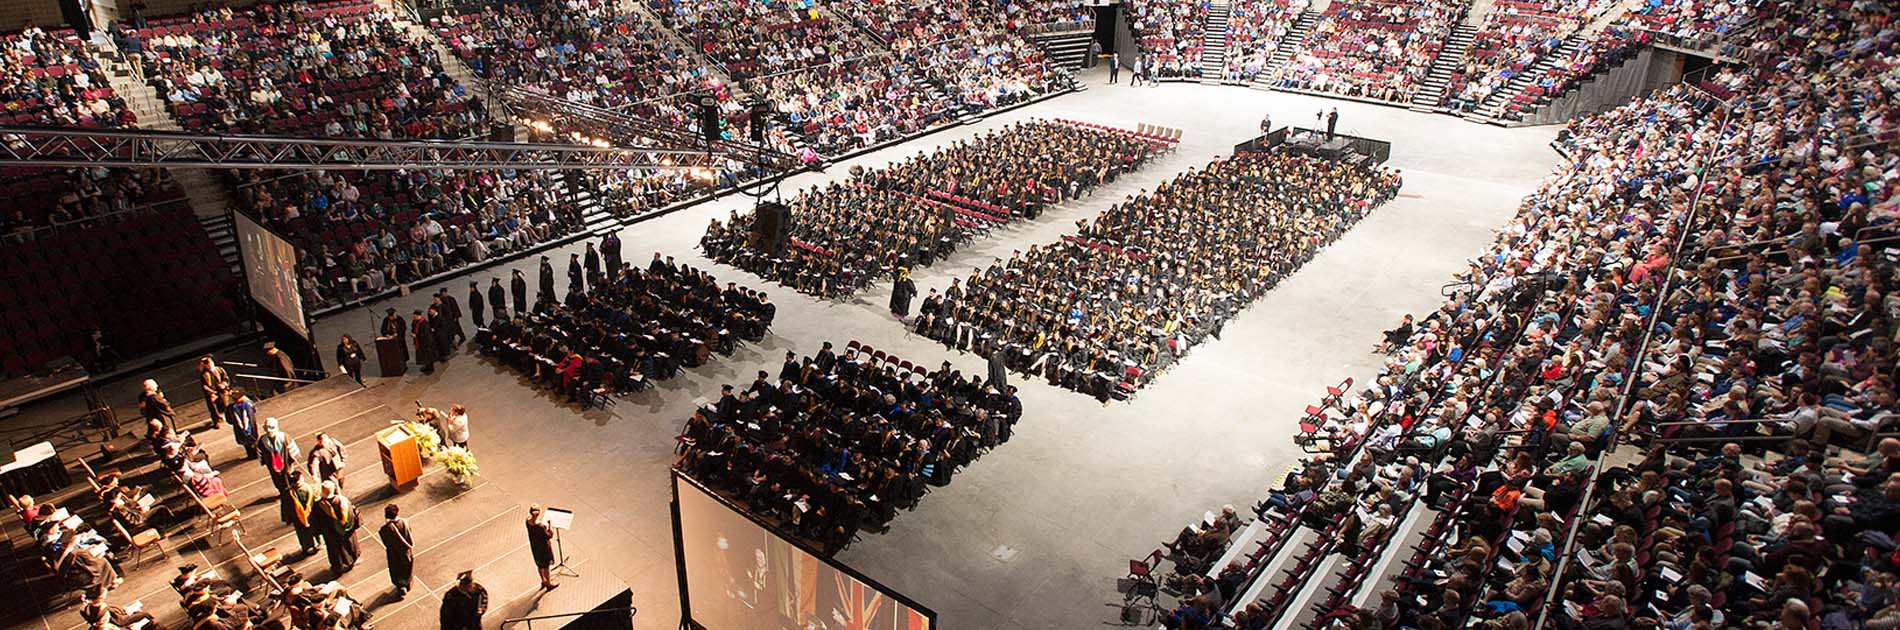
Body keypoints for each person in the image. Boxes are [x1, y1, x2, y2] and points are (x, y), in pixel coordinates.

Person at [313, 480, 359, 574]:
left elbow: (316, 521)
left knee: (334, 550)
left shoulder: (319, 505)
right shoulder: (342, 501)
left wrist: (318, 532)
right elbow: (352, 515)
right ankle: (352, 560)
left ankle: (337, 566)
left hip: (330, 533)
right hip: (346, 531)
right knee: (350, 545)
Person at [379, 504, 414, 597]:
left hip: (395, 554)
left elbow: (386, 542)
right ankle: (408, 583)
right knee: (407, 568)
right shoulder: (405, 522)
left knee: (396, 570)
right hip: (407, 552)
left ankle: (401, 587)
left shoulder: (386, 529)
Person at [286, 469, 322, 557]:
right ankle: (310, 546)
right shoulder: (291, 493)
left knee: (313, 530)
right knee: (305, 533)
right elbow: (286, 507)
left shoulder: (307, 488)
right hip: (302, 516)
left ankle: (315, 544)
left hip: (308, 515)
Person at [526, 504, 559, 590]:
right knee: (546, 566)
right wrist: (549, 525)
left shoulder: (527, 521)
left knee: (539, 565)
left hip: (535, 547)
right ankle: (549, 583)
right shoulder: (540, 527)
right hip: (544, 548)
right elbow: (549, 535)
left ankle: (543, 580)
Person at [198, 356, 231, 429]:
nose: (210, 366)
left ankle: (229, 417)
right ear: (206, 366)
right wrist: (209, 390)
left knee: (225, 405)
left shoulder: (219, 369)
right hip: (212, 393)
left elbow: (226, 378)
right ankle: (216, 421)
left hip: (221, 391)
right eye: (208, 365)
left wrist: (223, 384)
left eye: (211, 363)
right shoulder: (204, 374)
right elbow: (204, 385)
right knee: (213, 408)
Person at [228, 389, 259, 459]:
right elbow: (254, 411)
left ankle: (251, 454)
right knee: (252, 440)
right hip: (250, 425)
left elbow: (229, 420)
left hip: (240, 428)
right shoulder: (248, 404)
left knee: (247, 442)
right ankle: (255, 453)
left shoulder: (231, 408)